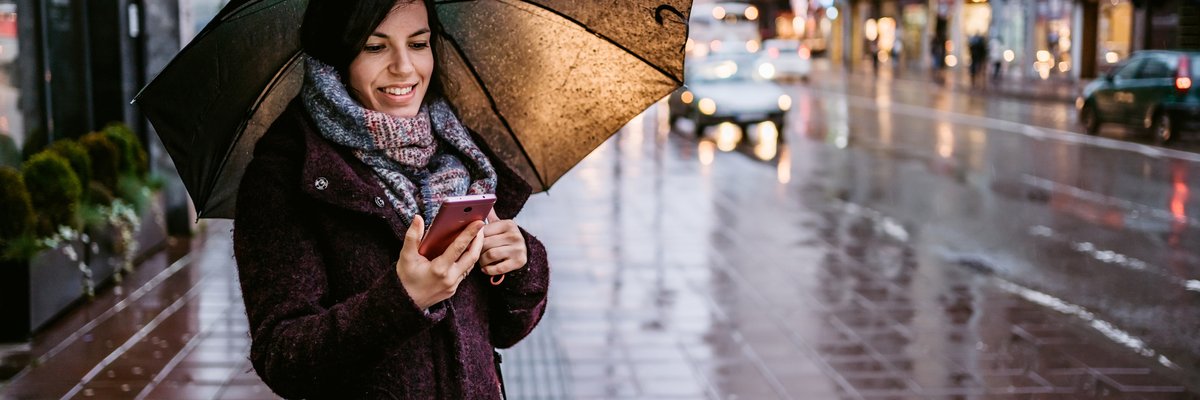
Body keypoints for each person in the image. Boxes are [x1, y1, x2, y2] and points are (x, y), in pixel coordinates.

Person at [232, 0, 549, 398]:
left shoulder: (460, 154)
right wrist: (402, 301)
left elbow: (505, 331)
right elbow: (282, 356)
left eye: (418, 44)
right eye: (374, 47)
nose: (404, 67)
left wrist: (519, 263)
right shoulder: (287, 173)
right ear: (336, 55)